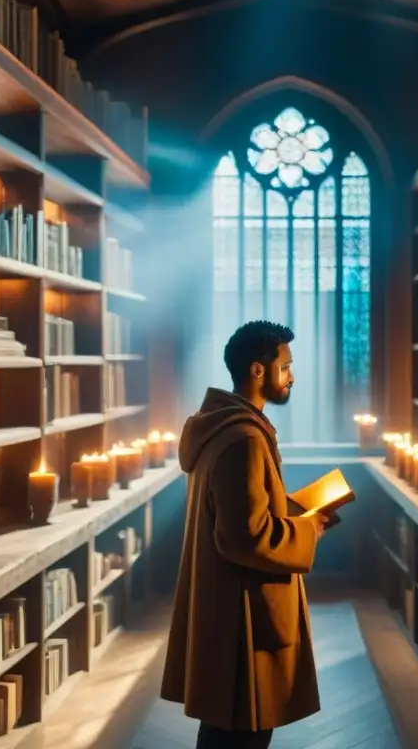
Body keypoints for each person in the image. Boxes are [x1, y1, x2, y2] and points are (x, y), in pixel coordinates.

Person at [161, 320, 329, 749]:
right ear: (259, 370)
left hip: (229, 607)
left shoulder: (223, 427)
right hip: (243, 618)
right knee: (239, 735)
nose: (293, 376)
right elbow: (245, 537)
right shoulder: (243, 439)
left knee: (224, 732)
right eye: (286, 366)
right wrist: (307, 527)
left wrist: (291, 510)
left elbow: (240, 512)